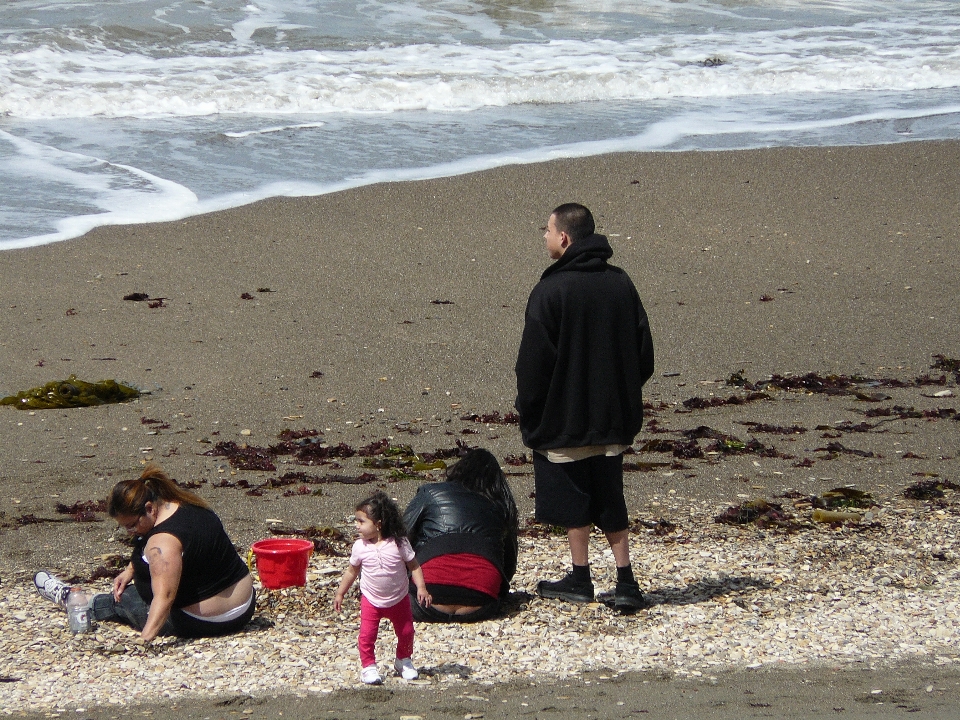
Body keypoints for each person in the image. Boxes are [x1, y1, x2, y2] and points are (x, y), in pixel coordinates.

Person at [515, 203, 655, 612]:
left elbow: (533, 363)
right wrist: (623, 393)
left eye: (548, 230)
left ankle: (581, 576)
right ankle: (624, 581)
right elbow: (643, 352)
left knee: (574, 495)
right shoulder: (620, 283)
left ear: (565, 237)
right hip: (613, 418)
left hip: (564, 419)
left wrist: (531, 410)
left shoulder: (550, 289)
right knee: (610, 494)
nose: (544, 236)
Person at [34, 464, 255, 640]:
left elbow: (165, 598)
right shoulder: (186, 504)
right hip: (244, 608)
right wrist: (130, 570)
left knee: (126, 599)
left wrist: (144, 640)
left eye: (131, 525)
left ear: (149, 508)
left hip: (207, 621)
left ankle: (74, 600)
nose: (129, 532)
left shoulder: (161, 544)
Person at [403, 448, 519, 623]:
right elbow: (508, 567)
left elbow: (400, 538)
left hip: (425, 603)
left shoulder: (431, 492)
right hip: (481, 606)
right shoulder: (500, 506)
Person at [334, 490, 431, 685]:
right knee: (367, 634)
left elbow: (414, 566)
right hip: (371, 599)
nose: (357, 526)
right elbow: (351, 571)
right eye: (357, 521)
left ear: (378, 524)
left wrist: (421, 588)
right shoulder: (360, 547)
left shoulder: (399, 543)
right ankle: (368, 666)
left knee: (406, 632)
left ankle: (403, 659)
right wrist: (340, 593)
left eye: (361, 522)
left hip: (399, 598)